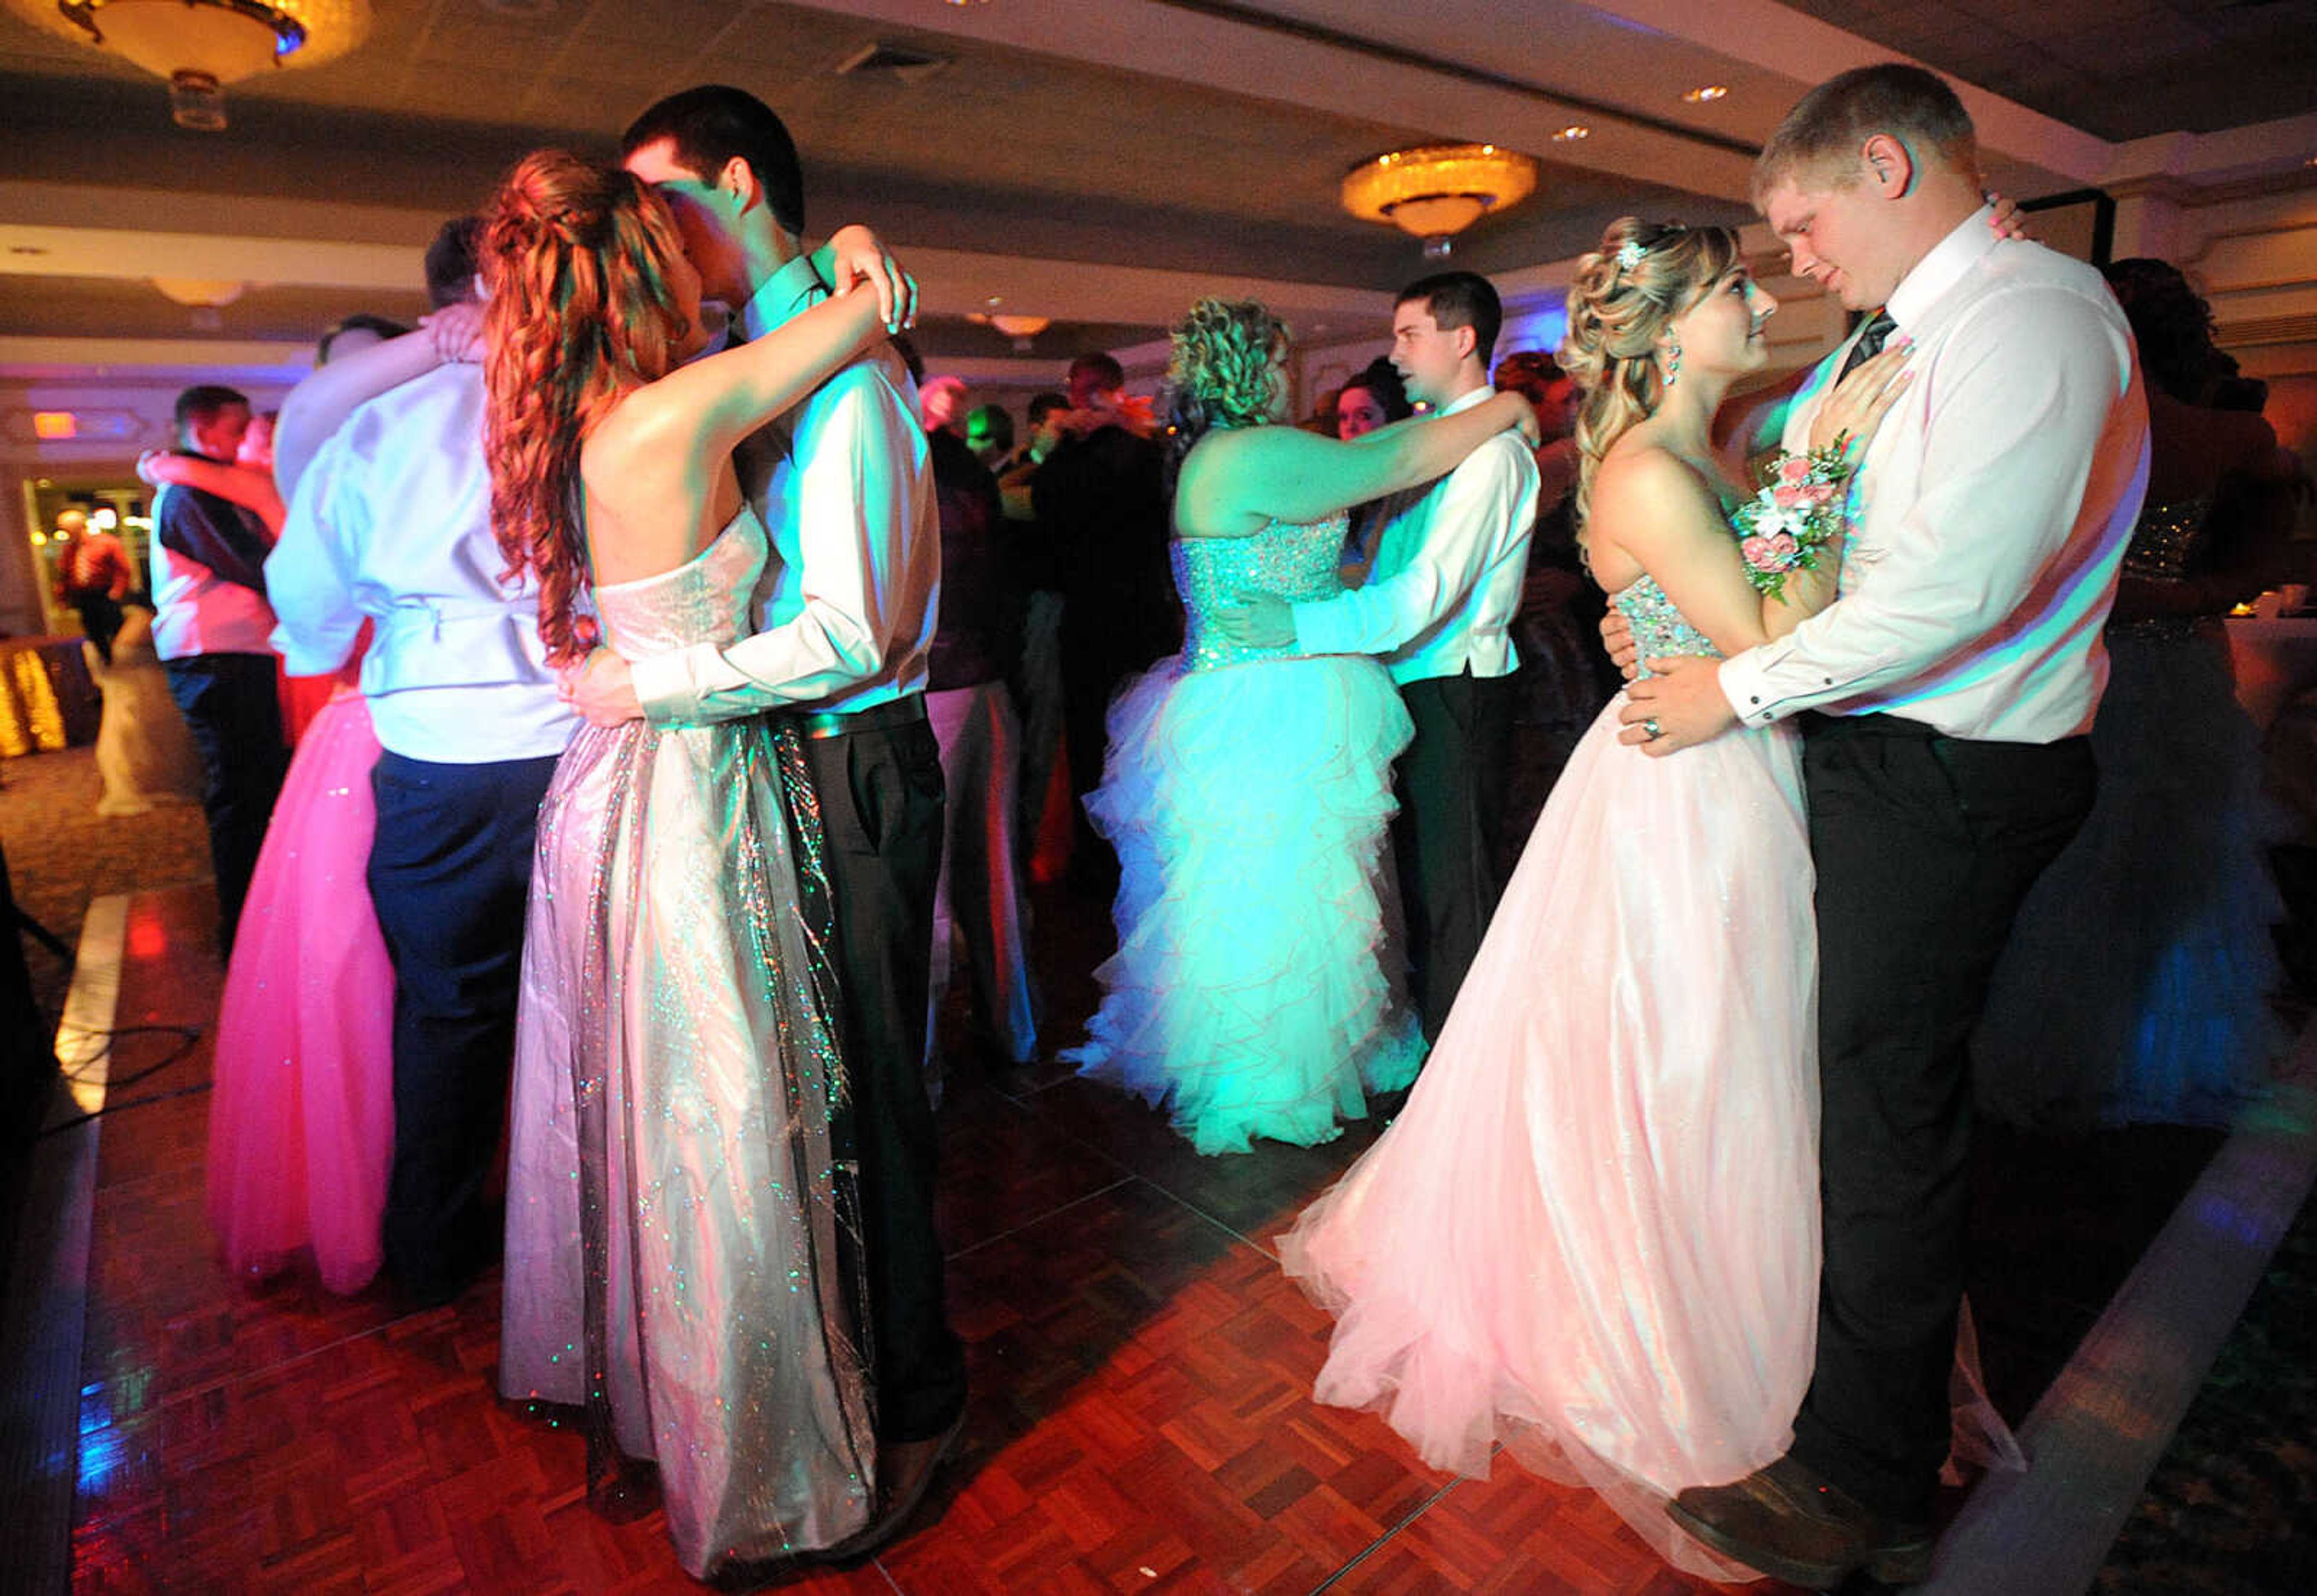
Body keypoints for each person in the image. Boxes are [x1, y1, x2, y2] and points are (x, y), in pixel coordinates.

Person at [1283, 217, 1916, 1580]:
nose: (1759, 300)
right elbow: (1777, 638)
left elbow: (1743, 621)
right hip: (1686, 795)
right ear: (1675, 321)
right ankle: (1659, 1314)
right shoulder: (1645, 468)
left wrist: (1788, 496)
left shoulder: (1704, 448)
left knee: (1720, 1054)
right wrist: (1820, 475)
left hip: (1724, 767)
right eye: (1735, 287)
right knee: (1687, 1054)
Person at [1618, 66, 2149, 1588]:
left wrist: (1740, 681)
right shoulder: (1904, 339)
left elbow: (1956, 591)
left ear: (1880, 162)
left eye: (1798, 220)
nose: (1792, 256)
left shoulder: (2030, 319)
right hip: (1890, 753)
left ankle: (1863, 1481)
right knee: (1869, 1100)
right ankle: (1857, 1424)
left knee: (1886, 1116)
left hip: (1949, 772)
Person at [484, 150, 914, 1575]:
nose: (697, 258)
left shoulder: (586, 421)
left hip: (626, 783)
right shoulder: (680, 410)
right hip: (689, 789)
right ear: (640, 268)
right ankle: (758, 1465)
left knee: (673, 1111)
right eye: (673, 239)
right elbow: (868, 304)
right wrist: (850, 241)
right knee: (721, 1120)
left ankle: (696, 1412)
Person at [1066, 298, 1537, 1154]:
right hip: (1268, 702)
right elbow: (1395, 456)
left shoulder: (1223, 453)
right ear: (1252, 367)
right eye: (1281, 360)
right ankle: (1271, 1077)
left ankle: (1295, 1055)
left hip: (1250, 694)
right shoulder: (1253, 451)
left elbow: (1333, 549)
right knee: (1278, 890)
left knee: (1285, 886)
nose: (1292, 376)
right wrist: (1506, 407)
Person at [1974, 258, 2301, 1129]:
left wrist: (2182, 592)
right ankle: (2151, 1053)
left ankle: (2057, 1055)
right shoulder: (2227, 437)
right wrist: (2204, 592)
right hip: (2171, 671)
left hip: (2081, 669)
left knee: (2073, 867)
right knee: (2171, 868)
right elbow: (2277, 517)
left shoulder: (2066, 425)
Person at [1216, 273, 1541, 1043]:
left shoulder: (1490, 457)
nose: (1393, 353)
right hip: (1408, 684)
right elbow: (1379, 567)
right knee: (1421, 891)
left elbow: (1421, 596)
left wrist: (1295, 623)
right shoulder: (1431, 443)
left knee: (1456, 893)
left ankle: (1464, 1077)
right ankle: (1436, 1058)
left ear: (1462, 340)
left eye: (1408, 334)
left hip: (1455, 690)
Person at [147, 383, 288, 953]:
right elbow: (253, 568)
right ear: (203, 433)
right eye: (236, 429)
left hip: (231, 652)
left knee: (254, 787)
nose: (243, 439)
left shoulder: (199, 485)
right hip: (213, 655)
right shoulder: (187, 493)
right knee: (239, 791)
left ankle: (253, 920)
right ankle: (240, 932)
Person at [1035, 350, 1177, 891]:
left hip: (1133, 618)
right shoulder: (1098, 450)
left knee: (1134, 741)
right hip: (1094, 618)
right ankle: (1099, 865)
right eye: (1075, 387)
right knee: (1092, 742)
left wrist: (1073, 441)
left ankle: (1124, 860)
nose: (1080, 398)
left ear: (1113, 390)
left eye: (1090, 387)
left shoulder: (1133, 450)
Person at [1332, 357, 1413, 588]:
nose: (1351, 427)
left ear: (1391, 420)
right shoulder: (1338, 487)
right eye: (1343, 417)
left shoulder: (1408, 487)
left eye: (1365, 415)